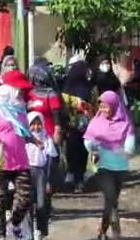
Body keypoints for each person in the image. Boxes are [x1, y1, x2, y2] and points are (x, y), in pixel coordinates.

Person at [0, 70, 41, 239]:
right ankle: (1, 236)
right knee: (0, 201)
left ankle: (15, 224)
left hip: (20, 159)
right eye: (17, 88)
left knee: (26, 197)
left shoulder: (19, 105)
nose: (20, 92)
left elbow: (23, 130)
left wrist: (34, 140)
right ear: (8, 87)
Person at [84, 91, 136, 240]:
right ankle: (116, 234)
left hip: (120, 167)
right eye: (101, 106)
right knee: (112, 199)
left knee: (111, 201)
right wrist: (92, 147)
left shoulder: (125, 121)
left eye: (106, 107)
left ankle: (102, 231)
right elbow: (88, 139)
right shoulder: (97, 121)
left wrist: (128, 149)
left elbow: (130, 139)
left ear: (114, 106)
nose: (103, 110)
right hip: (103, 166)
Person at [62, 60, 94, 193]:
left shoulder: (88, 87)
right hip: (72, 125)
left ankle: (79, 180)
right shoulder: (67, 87)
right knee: (73, 152)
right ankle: (74, 177)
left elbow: (94, 104)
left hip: (84, 126)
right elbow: (63, 106)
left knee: (82, 152)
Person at [26, 112, 58, 239]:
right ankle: (28, 232)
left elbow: (51, 160)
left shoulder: (47, 139)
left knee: (41, 204)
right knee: (27, 204)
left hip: (41, 173)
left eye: (39, 124)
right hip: (27, 172)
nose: (36, 127)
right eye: (32, 124)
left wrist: (48, 181)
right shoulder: (25, 139)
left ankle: (40, 231)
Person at [28, 61, 64, 144]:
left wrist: (57, 132)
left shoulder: (51, 94)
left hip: (48, 134)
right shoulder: (30, 93)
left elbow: (56, 115)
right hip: (33, 134)